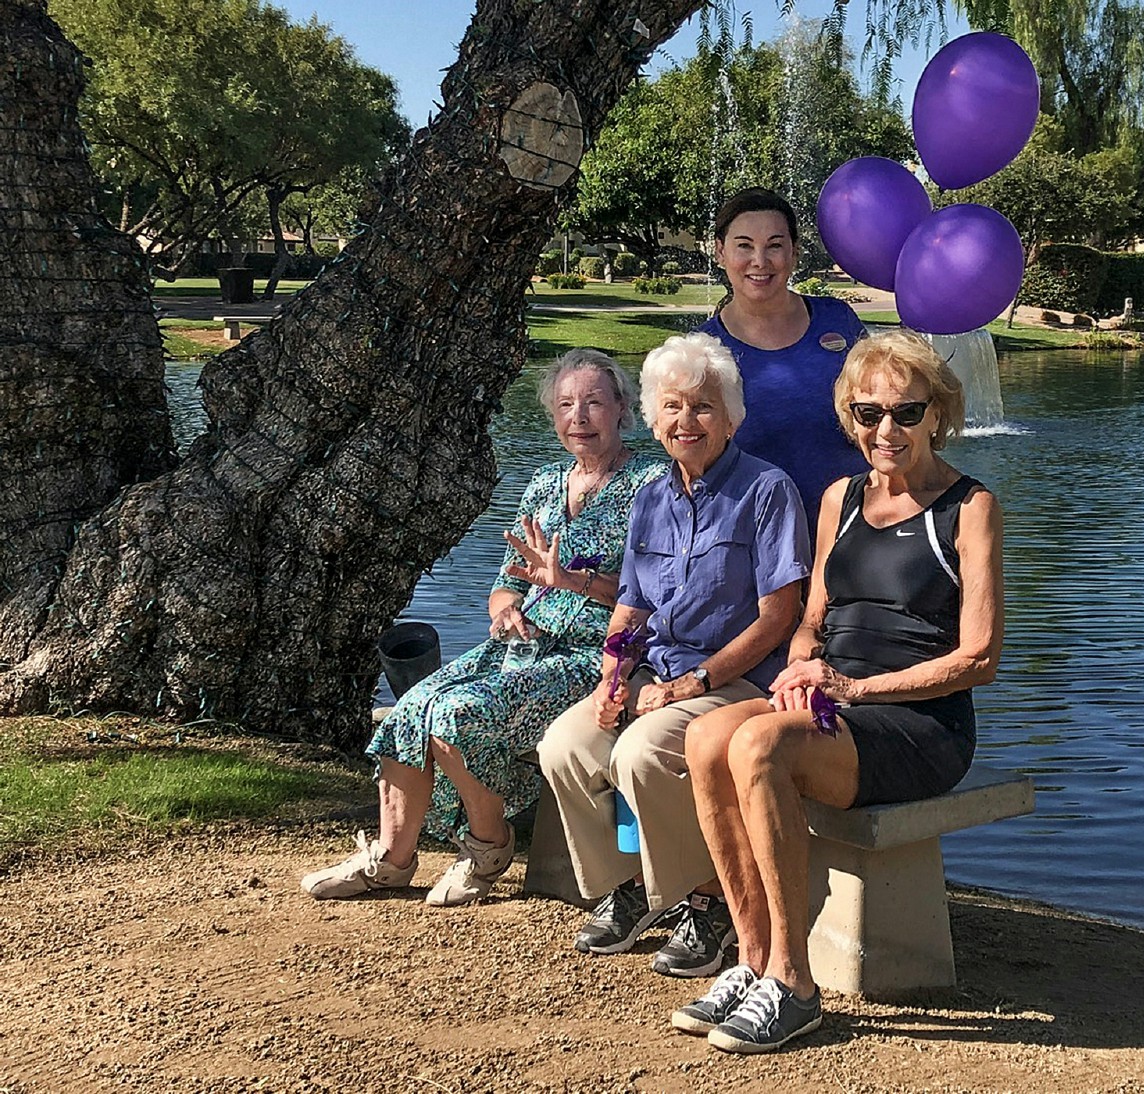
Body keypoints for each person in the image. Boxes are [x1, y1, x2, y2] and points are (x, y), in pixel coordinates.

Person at [672, 329, 1005, 1053]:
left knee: (757, 743)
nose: (885, 430)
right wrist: (800, 666)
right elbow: (811, 622)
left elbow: (978, 658)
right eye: (867, 413)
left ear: (938, 414)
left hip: (920, 725)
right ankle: (752, 958)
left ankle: (794, 984)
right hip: (835, 706)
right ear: (850, 417)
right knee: (704, 738)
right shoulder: (838, 499)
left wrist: (855, 688)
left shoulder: (970, 507)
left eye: (906, 413)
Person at [301, 349, 664, 907]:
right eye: (566, 405)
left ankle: (488, 847)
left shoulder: (652, 482)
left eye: (594, 402)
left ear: (621, 409)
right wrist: (504, 609)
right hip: (520, 647)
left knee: (455, 716)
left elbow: (661, 591)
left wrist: (572, 581)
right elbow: (506, 581)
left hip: (594, 654)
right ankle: (391, 860)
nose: (579, 417)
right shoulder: (544, 483)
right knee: (409, 708)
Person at [536, 331, 810, 978]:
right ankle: (633, 887)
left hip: (736, 682)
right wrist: (612, 674)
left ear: (733, 417)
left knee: (643, 751)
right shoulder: (653, 496)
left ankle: (710, 901)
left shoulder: (767, 492)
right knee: (566, 747)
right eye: (672, 407)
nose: (686, 421)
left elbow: (778, 619)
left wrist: (691, 684)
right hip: (655, 672)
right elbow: (631, 606)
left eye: (703, 407)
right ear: (653, 417)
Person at [699, 187, 867, 522]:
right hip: (755, 545)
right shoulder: (701, 350)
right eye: (744, 246)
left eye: (775, 245)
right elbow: (690, 456)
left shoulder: (838, 320)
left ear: (794, 252)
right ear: (720, 252)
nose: (760, 261)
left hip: (853, 535)